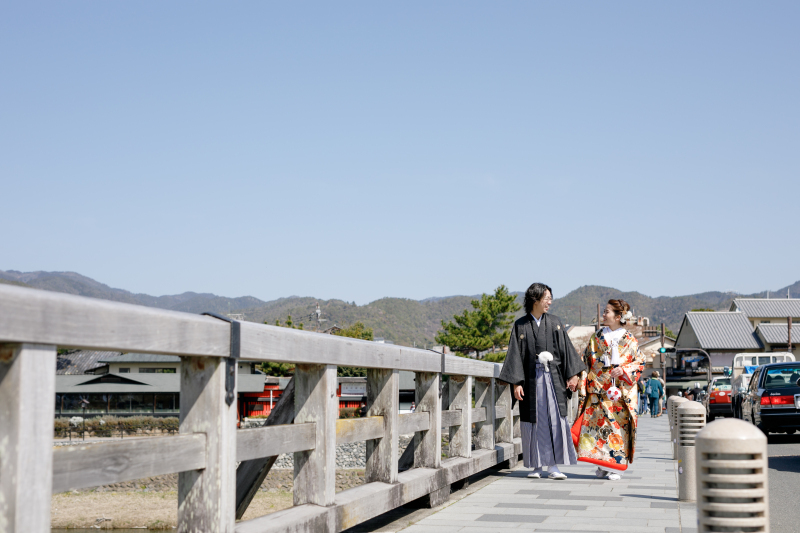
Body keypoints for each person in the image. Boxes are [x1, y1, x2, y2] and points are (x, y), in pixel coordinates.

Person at [499, 283, 585, 480]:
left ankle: (553, 466)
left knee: (554, 420)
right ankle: (536, 465)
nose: (549, 302)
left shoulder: (555, 322)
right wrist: (516, 383)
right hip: (530, 381)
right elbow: (515, 356)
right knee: (534, 421)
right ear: (535, 299)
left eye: (550, 298)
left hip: (553, 379)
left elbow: (566, 350)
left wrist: (572, 375)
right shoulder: (520, 325)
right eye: (546, 298)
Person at [576, 299, 645, 480]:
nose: (604, 315)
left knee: (616, 429)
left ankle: (614, 466)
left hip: (618, 393)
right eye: (604, 311)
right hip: (598, 390)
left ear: (618, 316)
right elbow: (586, 361)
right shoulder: (596, 337)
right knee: (598, 429)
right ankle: (602, 465)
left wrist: (623, 370)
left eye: (607, 312)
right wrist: (582, 382)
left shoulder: (630, 339)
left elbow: (639, 362)